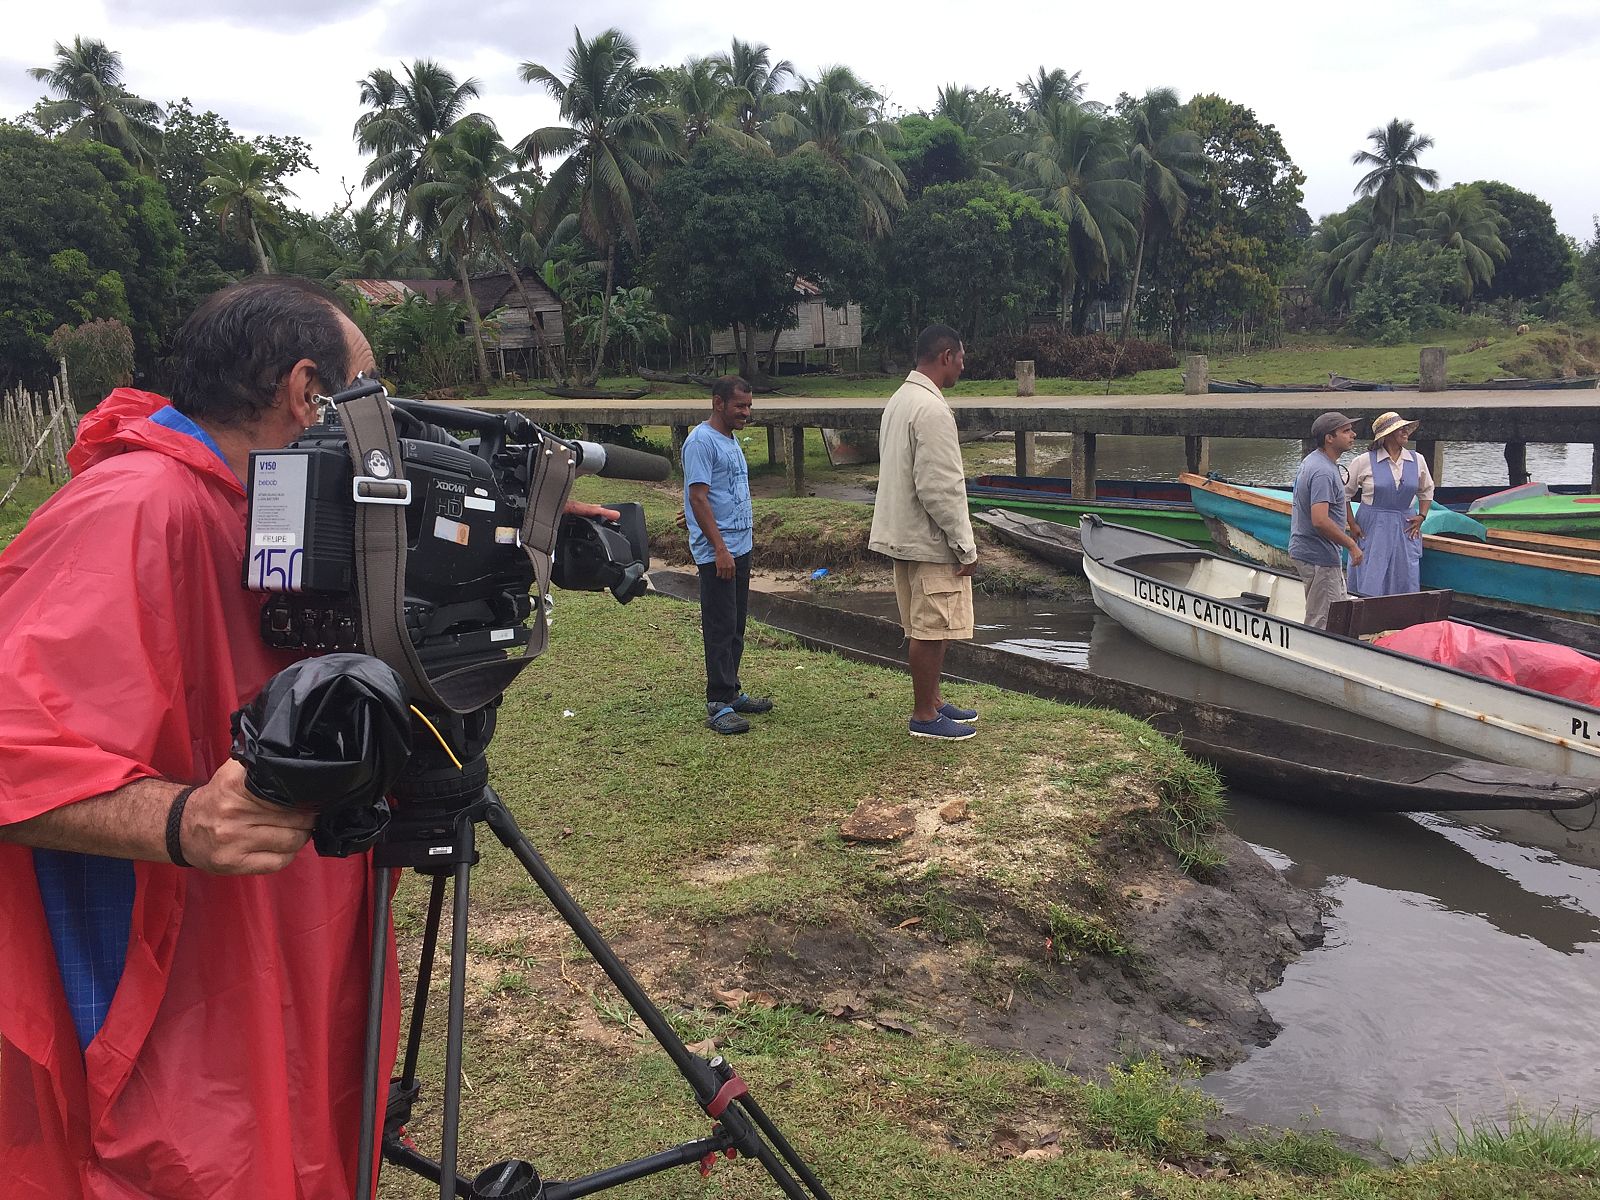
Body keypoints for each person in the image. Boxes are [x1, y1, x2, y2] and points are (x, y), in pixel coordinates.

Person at [0, 277, 400, 1199]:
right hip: (170, 1003)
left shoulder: (263, 509)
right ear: (307, 391)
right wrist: (181, 821)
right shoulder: (139, 504)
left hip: (266, 961)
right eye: (366, 392)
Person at [869, 325, 980, 740]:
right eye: (962, 359)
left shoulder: (900, 399)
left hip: (904, 531)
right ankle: (924, 715)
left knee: (929, 623)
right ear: (946, 356)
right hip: (930, 538)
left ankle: (932, 700)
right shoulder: (932, 410)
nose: (963, 367)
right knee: (931, 627)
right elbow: (940, 487)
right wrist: (965, 544)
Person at [683, 376, 772, 735]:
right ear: (718, 403)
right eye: (740, 406)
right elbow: (698, 497)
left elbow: (710, 492)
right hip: (719, 552)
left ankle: (732, 690)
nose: (746, 413)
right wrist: (719, 548)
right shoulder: (701, 441)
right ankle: (718, 703)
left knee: (736, 625)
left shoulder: (730, 440)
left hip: (740, 547)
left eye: (749, 406)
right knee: (719, 626)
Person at [1289, 411, 1364, 629]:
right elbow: (1320, 520)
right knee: (1323, 619)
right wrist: (1351, 545)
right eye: (1346, 431)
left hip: (1316, 552)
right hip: (1318, 555)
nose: (1353, 435)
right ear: (1329, 438)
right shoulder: (1322, 471)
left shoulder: (1315, 461)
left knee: (1333, 610)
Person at [1346, 410, 1433, 596]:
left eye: (1406, 429)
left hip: (1405, 525)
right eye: (1399, 429)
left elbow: (1426, 491)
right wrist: (1352, 523)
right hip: (1372, 525)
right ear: (1386, 436)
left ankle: (1401, 618)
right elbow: (1343, 494)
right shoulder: (1363, 461)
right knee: (1372, 571)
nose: (1405, 432)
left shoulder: (1417, 460)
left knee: (1405, 574)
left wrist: (1421, 516)